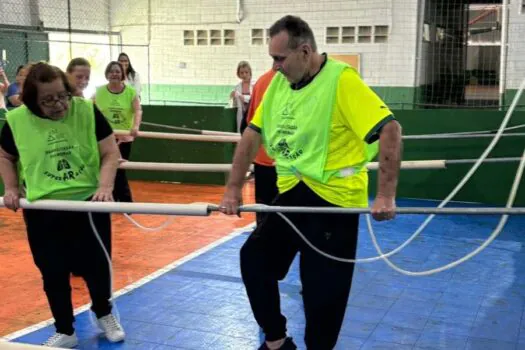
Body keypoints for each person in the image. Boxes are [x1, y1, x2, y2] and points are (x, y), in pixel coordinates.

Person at [219, 15, 402, 350]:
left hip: (335, 201)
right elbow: (251, 135)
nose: (274, 67)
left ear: (304, 51)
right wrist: (232, 188)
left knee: (322, 299)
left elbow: (390, 130)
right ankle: (276, 342)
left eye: (279, 59)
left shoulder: (341, 80)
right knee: (254, 260)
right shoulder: (278, 84)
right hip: (292, 195)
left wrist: (386, 195)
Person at [0, 62, 125, 348]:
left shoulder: (86, 111)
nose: (58, 105)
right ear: (32, 101)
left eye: (62, 96)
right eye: (48, 100)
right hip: (43, 207)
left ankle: (104, 313)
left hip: (88, 204)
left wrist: (105, 187)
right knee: (52, 270)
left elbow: (110, 153)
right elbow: (5, 156)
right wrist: (9, 187)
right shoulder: (17, 121)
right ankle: (65, 329)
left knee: (96, 266)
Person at [94, 61, 142, 203]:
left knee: (119, 170)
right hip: (105, 137)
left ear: (122, 74)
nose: (114, 74)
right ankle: (109, 200)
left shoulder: (130, 92)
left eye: (117, 71)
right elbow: (88, 107)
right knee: (105, 169)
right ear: (107, 74)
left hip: (123, 137)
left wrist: (136, 126)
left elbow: (138, 110)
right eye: (111, 71)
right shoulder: (99, 91)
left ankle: (126, 203)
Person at [245, 68, 278, 226]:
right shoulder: (298, 83)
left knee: (265, 218)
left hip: (264, 161)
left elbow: (249, 123)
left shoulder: (261, 82)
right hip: (290, 166)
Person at [230, 61, 254, 132]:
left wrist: (242, 97)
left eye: (246, 72)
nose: (244, 75)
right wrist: (233, 97)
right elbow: (235, 105)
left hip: (253, 115)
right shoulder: (237, 87)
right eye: (242, 73)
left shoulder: (255, 85)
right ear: (238, 74)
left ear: (250, 72)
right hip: (242, 117)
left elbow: (256, 100)